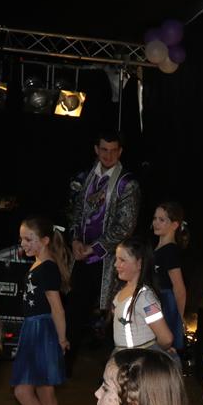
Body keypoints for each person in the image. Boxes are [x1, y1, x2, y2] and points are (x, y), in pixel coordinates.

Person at [66, 131, 140, 346]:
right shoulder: (85, 177)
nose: (108, 155)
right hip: (81, 258)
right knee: (74, 314)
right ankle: (67, 361)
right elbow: (74, 211)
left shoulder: (127, 184)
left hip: (109, 262)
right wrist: (75, 240)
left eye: (113, 150)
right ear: (96, 150)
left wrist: (94, 248)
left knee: (108, 319)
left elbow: (125, 226)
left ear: (120, 152)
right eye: (104, 150)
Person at [10, 216, 71, 405]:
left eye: (29, 239)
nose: (23, 243)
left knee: (23, 391)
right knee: (45, 390)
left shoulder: (47, 267)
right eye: (22, 239)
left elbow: (57, 308)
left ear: (45, 240)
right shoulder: (38, 264)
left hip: (42, 331)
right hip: (33, 329)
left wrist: (61, 338)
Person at [110, 237, 172, 352]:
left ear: (139, 263)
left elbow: (166, 339)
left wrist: (152, 353)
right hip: (122, 355)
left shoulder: (146, 299)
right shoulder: (121, 290)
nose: (115, 264)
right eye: (116, 259)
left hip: (136, 359)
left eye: (122, 260)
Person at [150, 202, 189, 355]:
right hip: (156, 301)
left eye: (162, 220)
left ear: (174, 225)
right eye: (155, 218)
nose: (156, 223)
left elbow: (179, 288)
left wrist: (178, 318)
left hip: (165, 304)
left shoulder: (170, 251)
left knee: (164, 350)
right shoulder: (158, 249)